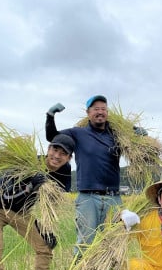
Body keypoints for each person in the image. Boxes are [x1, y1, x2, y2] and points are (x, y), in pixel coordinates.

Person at [46, 95, 146, 259]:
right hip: (88, 198)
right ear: (88, 112)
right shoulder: (78, 133)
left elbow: (139, 151)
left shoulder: (117, 135)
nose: (100, 112)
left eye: (103, 109)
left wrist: (137, 135)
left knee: (114, 244)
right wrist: (50, 115)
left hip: (113, 198)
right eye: (96, 109)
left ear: (107, 113)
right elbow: (52, 137)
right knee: (85, 244)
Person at [0, 134, 75, 270]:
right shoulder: (28, 163)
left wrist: (47, 229)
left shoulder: (65, 172)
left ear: (69, 158)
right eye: (55, 150)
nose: (57, 156)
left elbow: (53, 203)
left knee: (45, 247)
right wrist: (30, 187)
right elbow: (7, 197)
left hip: (21, 212)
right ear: (48, 149)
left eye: (63, 153)